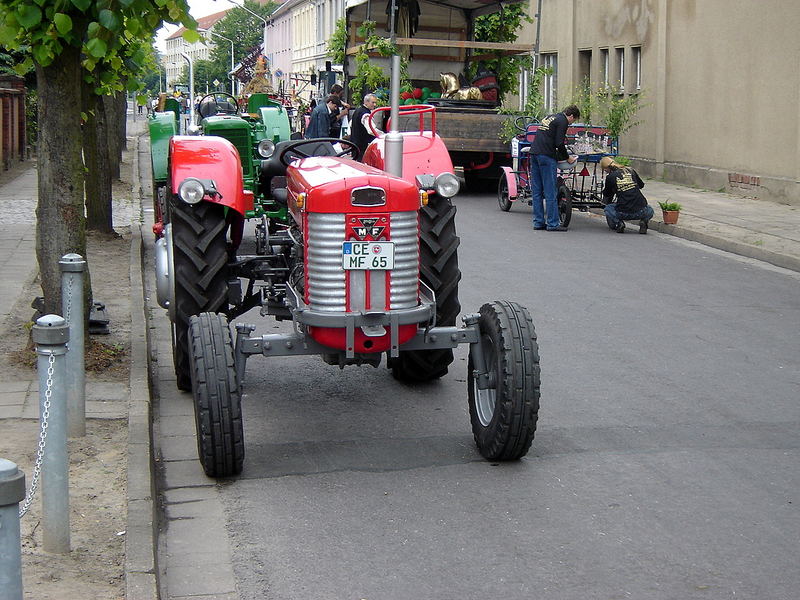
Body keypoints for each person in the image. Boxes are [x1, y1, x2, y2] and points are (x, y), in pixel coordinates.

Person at [529, 105, 581, 231]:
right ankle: (552, 223)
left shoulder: (550, 117)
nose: (572, 123)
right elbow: (559, 143)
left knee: (537, 191)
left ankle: (538, 222)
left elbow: (547, 138)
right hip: (546, 156)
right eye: (573, 121)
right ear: (571, 116)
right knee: (550, 190)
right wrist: (568, 158)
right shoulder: (563, 121)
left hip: (534, 154)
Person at [600, 157, 655, 234]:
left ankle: (619, 223)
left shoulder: (610, 177)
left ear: (606, 168)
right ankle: (644, 222)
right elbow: (641, 185)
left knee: (608, 209)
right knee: (650, 209)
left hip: (623, 212)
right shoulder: (630, 170)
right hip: (641, 211)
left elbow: (607, 194)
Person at [349, 93, 382, 158]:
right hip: (362, 146)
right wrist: (382, 135)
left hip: (355, 144)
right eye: (373, 102)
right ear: (366, 102)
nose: (374, 105)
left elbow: (350, 126)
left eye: (375, 103)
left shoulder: (357, 111)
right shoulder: (365, 114)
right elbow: (371, 130)